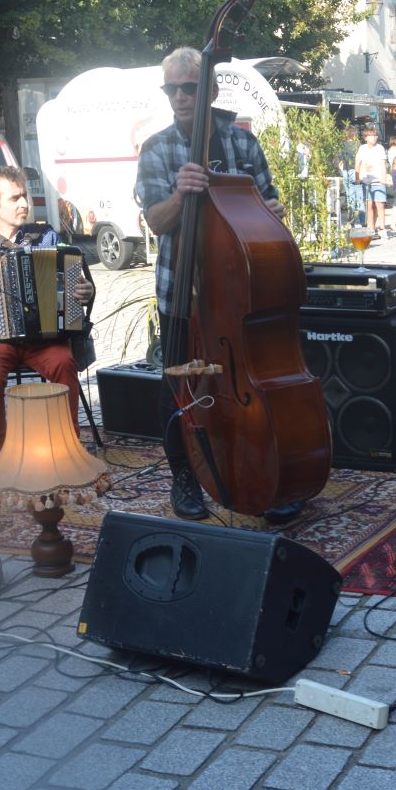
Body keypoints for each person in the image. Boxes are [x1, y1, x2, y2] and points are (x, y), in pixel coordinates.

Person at [135, 46, 300, 524]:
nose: (182, 96)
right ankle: (185, 478)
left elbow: (269, 203)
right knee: (178, 391)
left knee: (253, 386)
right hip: (182, 291)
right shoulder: (158, 148)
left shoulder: (240, 143)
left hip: (239, 293)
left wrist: (271, 215)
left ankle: (263, 474)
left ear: (208, 90)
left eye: (190, 87)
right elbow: (156, 221)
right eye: (173, 89)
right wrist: (180, 195)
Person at [0, 166, 93, 455]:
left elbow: (74, 280)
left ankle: (67, 443)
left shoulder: (45, 236)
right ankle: (2, 449)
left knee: (64, 364)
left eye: (25, 196)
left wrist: (84, 292)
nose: (25, 203)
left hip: (45, 337)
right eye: (15, 198)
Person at [354, 127, 389, 240]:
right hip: (366, 181)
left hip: (378, 181)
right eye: (372, 136)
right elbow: (357, 163)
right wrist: (358, 178)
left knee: (380, 205)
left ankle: (383, 229)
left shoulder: (380, 148)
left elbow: (383, 164)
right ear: (366, 138)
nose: (374, 138)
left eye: (375, 135)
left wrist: (383, 179)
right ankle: (371, 229)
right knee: (369, 206)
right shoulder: (362, 148)